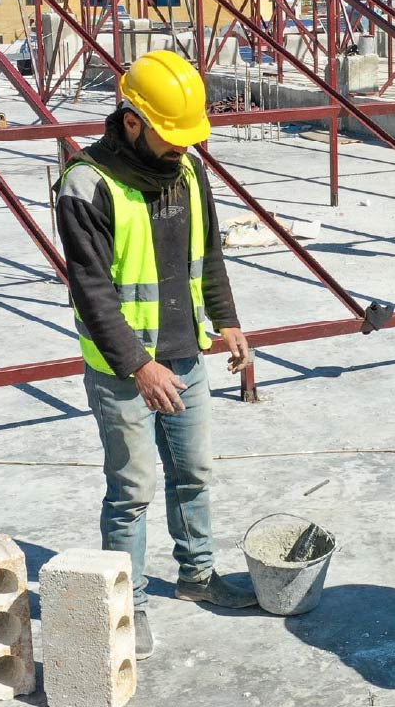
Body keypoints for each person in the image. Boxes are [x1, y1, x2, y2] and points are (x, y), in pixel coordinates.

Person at [55, 49, 258, 660]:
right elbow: (91, 290)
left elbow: (210, 255)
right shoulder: (87, 185)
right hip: (125, 371)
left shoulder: (189, 172)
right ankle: (127, 603)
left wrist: (226, 321)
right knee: (133, 489)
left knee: (193, 474)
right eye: (169, 136)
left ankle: (197, 577)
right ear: (133, 122)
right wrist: (138, 366)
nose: (179, 148)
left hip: (186, 354)